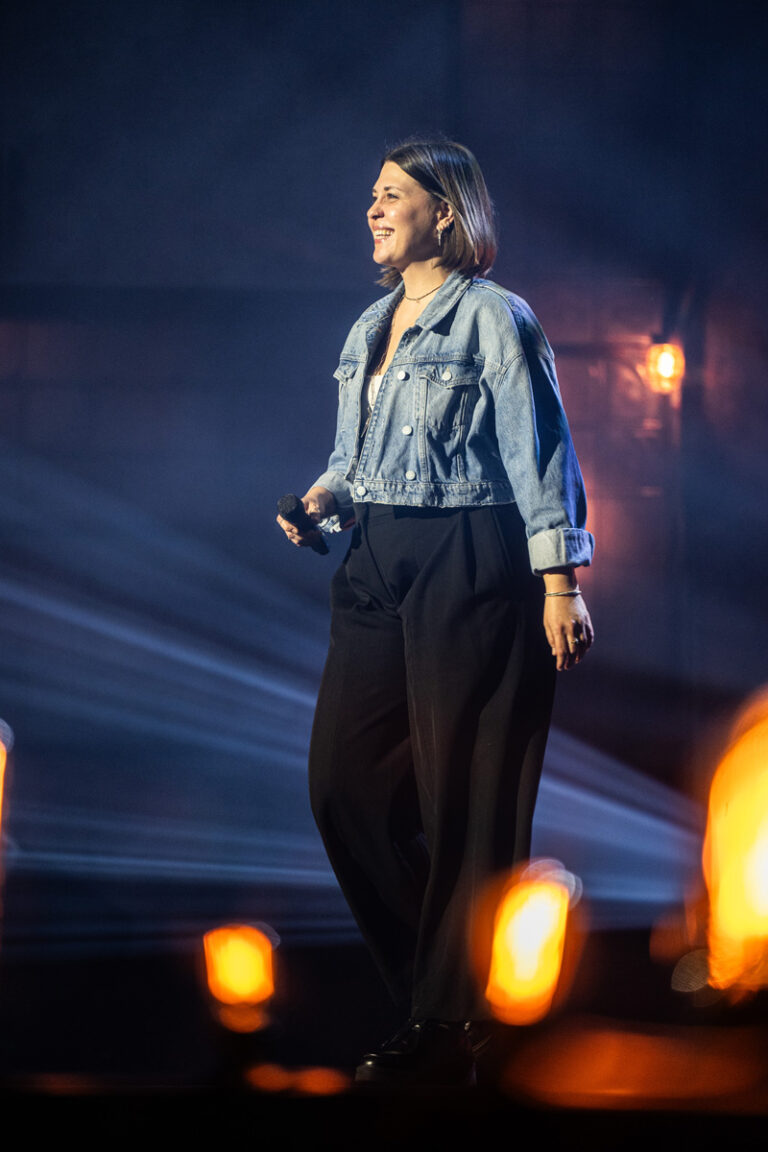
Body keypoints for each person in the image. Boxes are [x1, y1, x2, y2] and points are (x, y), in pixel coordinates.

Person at [277, 139, 594, 1085]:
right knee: (344, 787)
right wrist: (325, 495)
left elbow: (541, 451)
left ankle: (445, 1018)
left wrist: (560, 580)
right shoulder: (369, 324)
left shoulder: (496, 318)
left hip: (470, 553)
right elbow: (363, 449)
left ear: (444, 212)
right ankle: (452, 986)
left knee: (464, 793)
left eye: (392, 196)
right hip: (374, 555)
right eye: (369, 196)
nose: (372, 210)